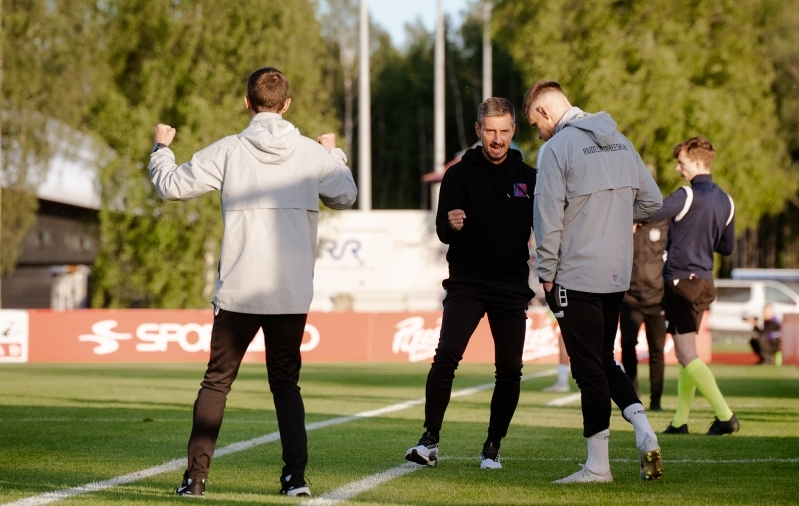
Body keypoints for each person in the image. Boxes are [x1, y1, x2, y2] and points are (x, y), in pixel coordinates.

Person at [148, 67, 357, 497]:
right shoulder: (310, 154)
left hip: (239, 290)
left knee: (217, 383)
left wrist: (161, 148)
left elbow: (169, 186)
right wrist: (333, 155)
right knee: (285, 386)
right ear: (287, 105)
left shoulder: (228, 150)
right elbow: (345, 195)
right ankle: (295, 479)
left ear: (248, 103)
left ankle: (195, 479)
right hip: (289, 293)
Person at [525, 80, 664, 483]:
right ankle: (644, 429)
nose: (539, 133)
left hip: (576, 273)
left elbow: (547, 220)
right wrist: (623, 217)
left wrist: (546, 275)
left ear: (547, 113)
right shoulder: (620, 141)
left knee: (587, 370)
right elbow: (653, 202)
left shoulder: (556, 149)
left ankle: (598, 466)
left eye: (536, 124)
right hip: (617, 272)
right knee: (604, 360)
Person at [405, 97, 536, 470]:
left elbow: (547, 226)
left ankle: (492, 447)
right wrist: (452, 223)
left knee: (510, 369)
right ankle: (429, 440)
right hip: (467, 280)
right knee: (446, 356)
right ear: (478, 131)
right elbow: (442, 230)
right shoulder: (459, 174)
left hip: (511, 285)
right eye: (490, 131)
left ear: (513, 131)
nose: (497, 139)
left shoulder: (529, 177)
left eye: (504, 131)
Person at [648, 136, 739, 436]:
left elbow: (653, 211)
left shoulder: (687, 195)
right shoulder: (727, 200)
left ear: (698, 163)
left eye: (682, 162)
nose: (677, 168)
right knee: (688, 349)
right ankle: (679, 421)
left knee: (686, 353)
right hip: (705, 283)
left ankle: (725, 416)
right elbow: (726, 247)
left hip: (681, 283)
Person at [620, 220, 669, 411]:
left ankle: (656, 401)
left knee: (657, 350)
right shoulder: (624, 223)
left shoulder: (665, 224)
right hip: (630, 298)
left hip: (658, 299)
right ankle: (633, 394)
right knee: (627, 345)